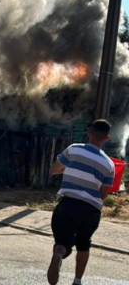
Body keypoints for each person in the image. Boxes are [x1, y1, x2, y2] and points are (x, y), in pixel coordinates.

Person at [47, 119, 115, 285]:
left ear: (89, 133)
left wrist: (68, 168)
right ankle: (77, 281)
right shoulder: (109, 164)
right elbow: (103, 194)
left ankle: (59, 254)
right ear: (106, 139)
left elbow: (54, 170)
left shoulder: (73, 149)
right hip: (90, 210)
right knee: (83, 245)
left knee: (62, 242)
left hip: (68, 203)